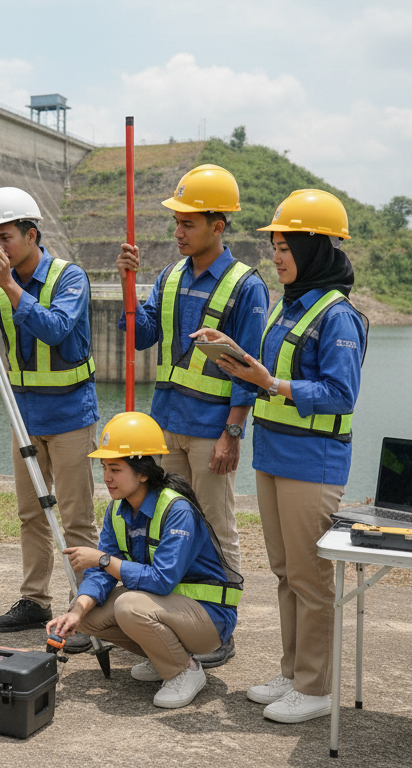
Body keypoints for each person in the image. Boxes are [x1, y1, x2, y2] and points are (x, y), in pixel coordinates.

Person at [194, 189, 367, 724]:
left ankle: (316, 688)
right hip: (272, 457)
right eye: (274, 245)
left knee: (312, 579)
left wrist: (273, 384)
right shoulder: (289, 305)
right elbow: (270, 373)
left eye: (287, 245)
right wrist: (235, 355)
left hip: (312, 463)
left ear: (317, 248)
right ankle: (293, 673)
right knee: (286, 572)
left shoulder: (339, 316)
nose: (277, 255)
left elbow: (341, 394)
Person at [115, 163, 268, 667]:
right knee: (170, 528)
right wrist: (127, 283)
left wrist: (232, 432)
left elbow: (249, 368)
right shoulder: (170, 275)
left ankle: (220, 631)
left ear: (217, 226)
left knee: (218, 528)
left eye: (188, 224)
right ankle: (175, 629)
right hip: (167, 425)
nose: (178, 232)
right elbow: (140, 336)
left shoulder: (246, 287)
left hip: (210, 432)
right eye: (176, 223)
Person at [0, 186, 99, 649]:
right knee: (31, 514)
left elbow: (57, 328)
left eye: (5, 237)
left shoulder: (69, 277)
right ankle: (35, 599)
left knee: (77, 518)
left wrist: (11, 287)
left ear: (32, 233)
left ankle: (87, 609)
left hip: (71, 416)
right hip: (25, 417)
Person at [46, 411, 241, 709]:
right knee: (89, 617)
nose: (107, 477)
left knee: (128, 606)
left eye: (115, 468)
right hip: (170, 608)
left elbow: (161, 580)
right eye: (104, 468)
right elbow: (103, 576)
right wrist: (77, 610)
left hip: (210, 617)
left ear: (143, 472)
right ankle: (164, 656)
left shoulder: (177, 510)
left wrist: (101, 560)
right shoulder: (118, 510)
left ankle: (184, 671)